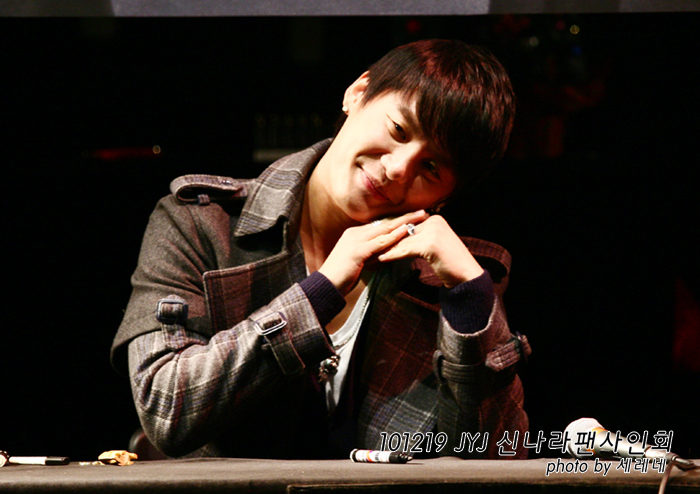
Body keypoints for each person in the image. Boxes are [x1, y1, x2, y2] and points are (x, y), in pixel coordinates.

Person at [111, 39, 531, 460]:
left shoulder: (453, 279)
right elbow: (165, 408)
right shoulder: (200, 224)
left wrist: (470, 301)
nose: (397, 168)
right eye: (399, 130)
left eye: (432, 167)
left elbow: (500, 459)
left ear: (446, 197)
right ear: (358, 93)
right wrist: (320, 292)